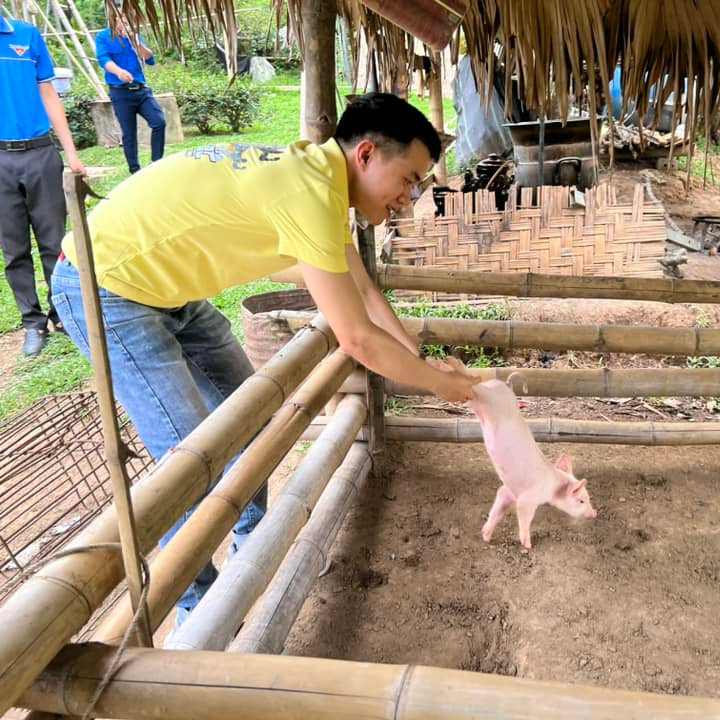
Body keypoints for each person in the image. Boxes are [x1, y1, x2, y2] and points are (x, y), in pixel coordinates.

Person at [51, 92, 478, 627]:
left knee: (247, 424)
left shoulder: (316, 178)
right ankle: (197, 615)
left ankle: (252, 555)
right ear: (367, 155)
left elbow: (364, 293)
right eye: (409, 179)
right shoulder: (311, 193)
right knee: (189, 462)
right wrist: (445, 387)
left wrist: (423, 363)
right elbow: (358, 339)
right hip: (107, 286)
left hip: (173, 292)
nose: (408, 197)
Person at [0, 12, 86, 356]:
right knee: (14, 248)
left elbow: (49, 94)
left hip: (40, 154)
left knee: (54, 241)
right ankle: (33, 322)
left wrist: (72, 153)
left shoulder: (26, 34)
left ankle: (62, 314)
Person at [95, 13, 165, 175]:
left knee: (158, 122)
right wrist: (119, 72)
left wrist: (134, 40)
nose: (125, 22)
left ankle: (157, 164)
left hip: (141, 90)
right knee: (129, 134)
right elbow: (103, 59)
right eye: (122, 19)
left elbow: (148, 58)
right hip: (120, 92)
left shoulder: (135, 36)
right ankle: (135, 171)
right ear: (114, 19)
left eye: (128, 19)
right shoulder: (103, 37)